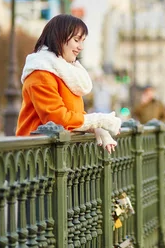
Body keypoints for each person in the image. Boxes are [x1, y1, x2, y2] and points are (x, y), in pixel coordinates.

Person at [17, 14, 121, 153]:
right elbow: (57, 119)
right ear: (58, 37)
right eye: (77, 40)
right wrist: (98, 120)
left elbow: (74, 117)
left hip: (56, 154)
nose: (81, 47)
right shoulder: (40, 73)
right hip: (35, 157)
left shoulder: (64, 73)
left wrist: (97, 129)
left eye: (83, 41)